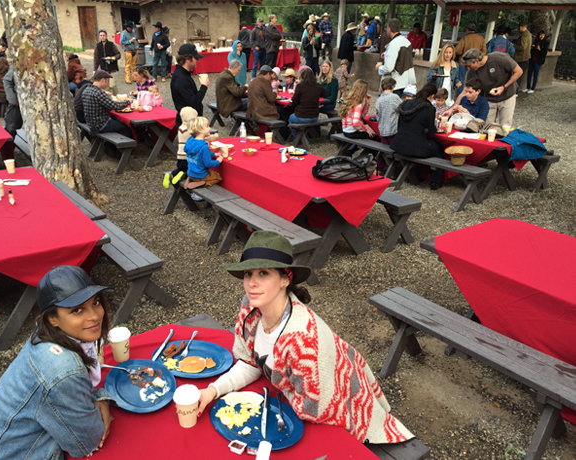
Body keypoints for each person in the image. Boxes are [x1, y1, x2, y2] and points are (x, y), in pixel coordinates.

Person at [196, 230, 415, 447]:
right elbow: (251, 363)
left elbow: (316, 409)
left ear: (285, 279)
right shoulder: (251, 308)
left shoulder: (303, 339)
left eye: (263, 273)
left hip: (343, 410)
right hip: (296, 400)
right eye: (248, 274)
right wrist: (212, 390)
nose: (252, 283)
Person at [0, 265, 114, 459]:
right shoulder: (63, 370)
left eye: (96, 302)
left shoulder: (45, 332)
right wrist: (101, 399)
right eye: (77, 310)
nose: (95, 316)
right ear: (53, 318)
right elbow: (87, 442)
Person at [391, 83, 445, 190]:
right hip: (414, 147)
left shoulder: (406, 103)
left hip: (399, 142)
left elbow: (399, 125)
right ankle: (435, 181)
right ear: (433, 96)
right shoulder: (429, 108)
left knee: (422, 144)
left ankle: (416, 174)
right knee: (438, 148)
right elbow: (430, 133)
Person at [460, 48, 521, 126]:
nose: (468, 68)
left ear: (477, 61)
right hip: (489, 98)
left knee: (505, 125)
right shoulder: (471, 72)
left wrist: (504, 87)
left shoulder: (499, 58)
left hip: (507, 95)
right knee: (487, 126)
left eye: (469, 65)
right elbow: (464, 92)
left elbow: (519, 71)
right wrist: (452, 109)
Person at [82, 70, 133, 155]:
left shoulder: (86, 90)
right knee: (127, 128)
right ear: (103, 80)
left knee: (116, 123)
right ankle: (120, 154)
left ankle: (110, 147)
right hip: (100, 125)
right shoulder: (98, 93)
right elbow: (114, 106)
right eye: (108, 81)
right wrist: (128, 101)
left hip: (91, 123)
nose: (108, 84)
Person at [170, 43, 209, 127]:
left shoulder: (182, 73)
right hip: (188, 123)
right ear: (187, 59)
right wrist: (204, 86)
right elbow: (194, 102)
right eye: (196, 58)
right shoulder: (182, 79)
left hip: (189, 121)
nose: (198, 60)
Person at [377, 18, 416, 97]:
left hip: (396, 82)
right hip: (407, 81)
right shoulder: (406, 42)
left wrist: (379, 67)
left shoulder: (394, 44)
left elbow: (388, 68)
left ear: (389, 29)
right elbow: (401, 56)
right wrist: (387, 53)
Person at [339, 79, 378, 154]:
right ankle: (364, 158)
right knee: (376, 138)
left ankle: (350, 150)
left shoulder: (349, 100)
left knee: (369, 136)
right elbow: (356, 123)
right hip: (352, 131)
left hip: (345, 130)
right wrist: (366, 129)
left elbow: (360, 117)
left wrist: (366, 104)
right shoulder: (357, 105)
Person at [184, 116, 224, 190]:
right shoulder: (204, 146)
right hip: (201, 175)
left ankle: (191, 181)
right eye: (207, 126)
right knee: (219, 177)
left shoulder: (190, 141)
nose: (210, 128)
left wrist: (214, 154)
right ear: (199, 130)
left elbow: (200, 155)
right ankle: (200, 185)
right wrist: (219, 160)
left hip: (191, 172)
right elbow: (208, 164)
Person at [288, 68, 326, 141]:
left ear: (302, 76)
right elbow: (324, 93)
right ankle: (304, 138)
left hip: (302, 115)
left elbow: (294, 101)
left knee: (291, 118)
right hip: (315, 116)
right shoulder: (317, 86)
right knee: (298, 119)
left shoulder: (300, 86)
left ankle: (296, 138)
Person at [454, 23, 486, 97]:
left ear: (467, 30)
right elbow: (484, 51)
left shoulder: (465, 39)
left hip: (464, 64)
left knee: (463, 81)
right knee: (476, 82)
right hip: (477, 64)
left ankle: (461, 98)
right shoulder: (481, 38)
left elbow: (458, 51)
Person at [0, 66, 22, 161]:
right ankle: (8, 159)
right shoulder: (21, 61)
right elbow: (7, 80)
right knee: (10, 129)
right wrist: (13, 99)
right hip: (18, 103)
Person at [93, 29, 121, 95]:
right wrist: (95, 69)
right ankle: (109, 100)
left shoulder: (112, 44)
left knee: (113, 85)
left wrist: (113, 58)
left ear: (106, 36)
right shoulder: (97, 46)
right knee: (106, 87)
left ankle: (116, 96)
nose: (102, 37)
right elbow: (96, 58)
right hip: (104, 69)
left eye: (103, 35)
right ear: (99, 37)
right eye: (101, 35)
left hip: (112, 68)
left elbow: (118, 54)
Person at [375, 77, 400, 147]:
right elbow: (401, 109)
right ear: (393, 86)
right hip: (393, 129)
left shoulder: (379, 100)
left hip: (382, 129)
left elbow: (378, 115)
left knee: (384, 149)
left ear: (381, 88)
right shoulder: (395, 97)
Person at [513, 21, 532, 95]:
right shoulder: (528, 34)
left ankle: (516, 91)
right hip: (525, 57)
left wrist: (514, 45)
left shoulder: (524, 35)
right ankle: (516, 90)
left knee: (517, 74)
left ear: (520, 27)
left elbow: (522, 47)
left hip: (520, 57)